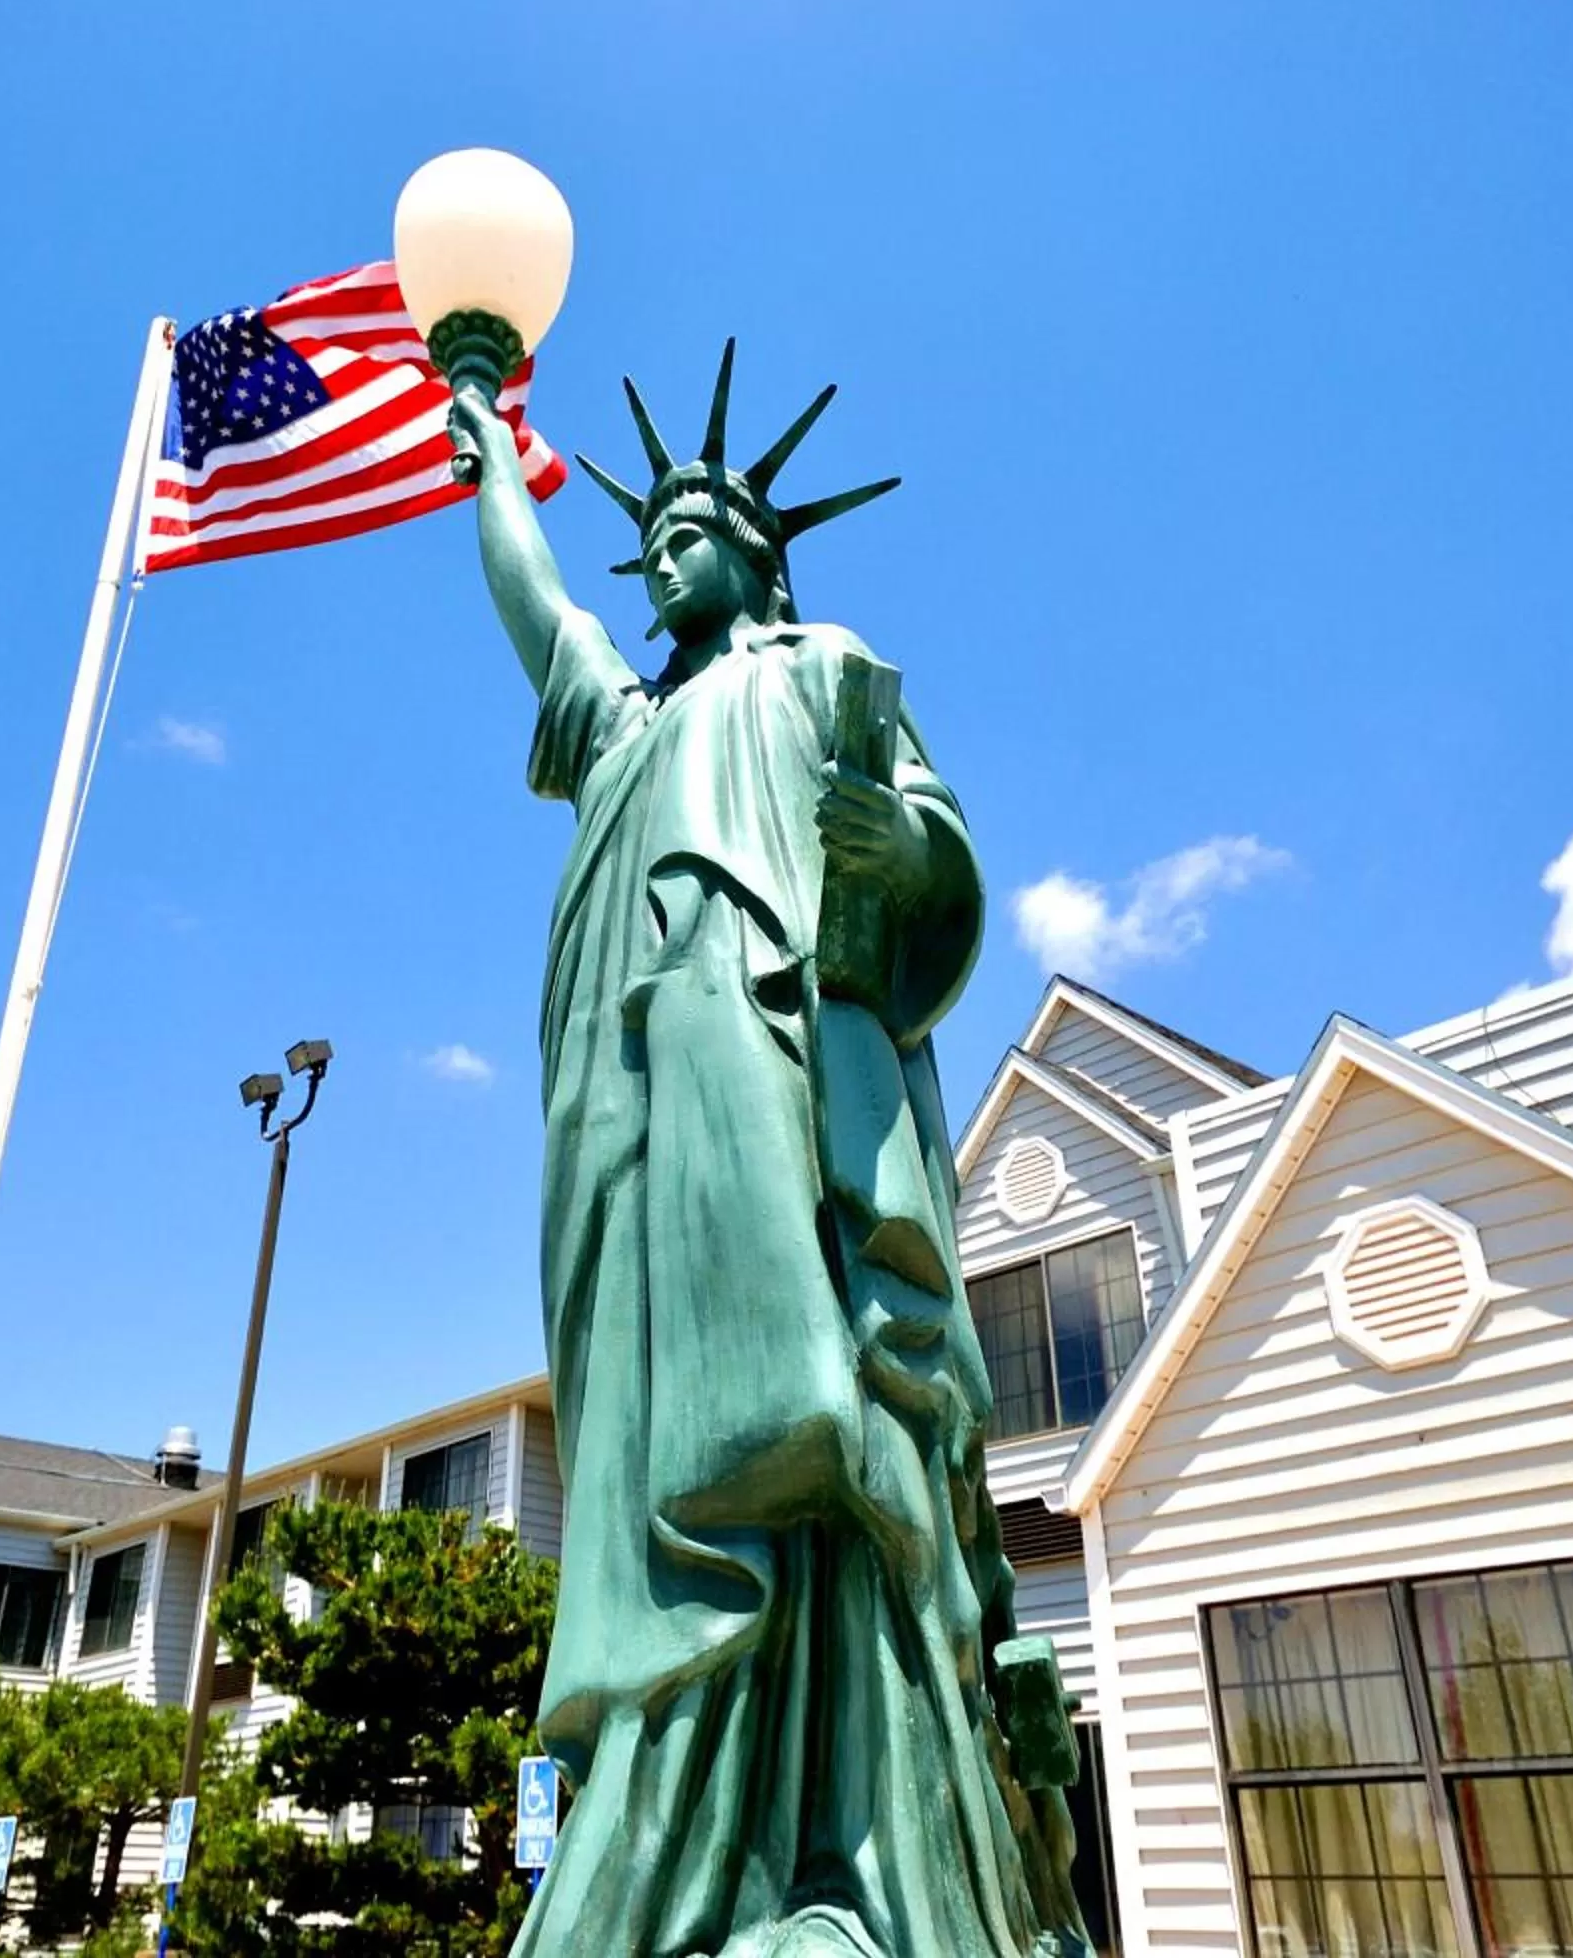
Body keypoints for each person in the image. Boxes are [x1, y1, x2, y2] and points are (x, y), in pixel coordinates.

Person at [446, 351, 1087, 1958]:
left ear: (764, 550)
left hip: (773, 1053)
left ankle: (839, 1846)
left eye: (696, 524)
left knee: (801, 1397)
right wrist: (486, 465)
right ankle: (687, 1816)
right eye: (648, 530)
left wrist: (899, 850)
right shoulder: (626, 726)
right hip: (628, 1099)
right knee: (653, 1421)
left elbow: (929, 842)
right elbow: (549, 629)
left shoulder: (817, 670)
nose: (664, 545)